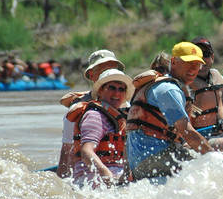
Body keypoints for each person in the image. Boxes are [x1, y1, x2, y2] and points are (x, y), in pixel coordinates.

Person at [125, 42, 214, 181]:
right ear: (173, 61)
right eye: (188, 63)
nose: (193, 69)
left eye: (197, 65)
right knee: (213, 168)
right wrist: (215, 159)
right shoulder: (168, 89)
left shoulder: (161, 85)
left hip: (141, 162)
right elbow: (187, 132)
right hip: (154, 158)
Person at [57, 49, 126, 179]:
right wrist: (63, 185)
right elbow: (67, 151)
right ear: (92, 75)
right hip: (92, 174)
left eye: (112, 69)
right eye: (104, 70)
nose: (108, 74)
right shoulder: (78, 110)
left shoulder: (125, 107)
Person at [65, 68, 134, 189]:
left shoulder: (123, 119)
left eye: (121, 89)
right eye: (112, 87)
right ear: (101, 91)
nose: (117, 93)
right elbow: (86, 152)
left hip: (116, 174)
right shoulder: (94, 116)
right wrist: (107, 175)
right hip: (90, 178)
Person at [189, 36, 223, 139]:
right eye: (197, 55)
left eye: (206, 55)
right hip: (195, 140)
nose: (202, 59)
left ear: (212, 58)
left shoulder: (218, 77)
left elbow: (222, 107)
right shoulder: (183, 85)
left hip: (219, 135)